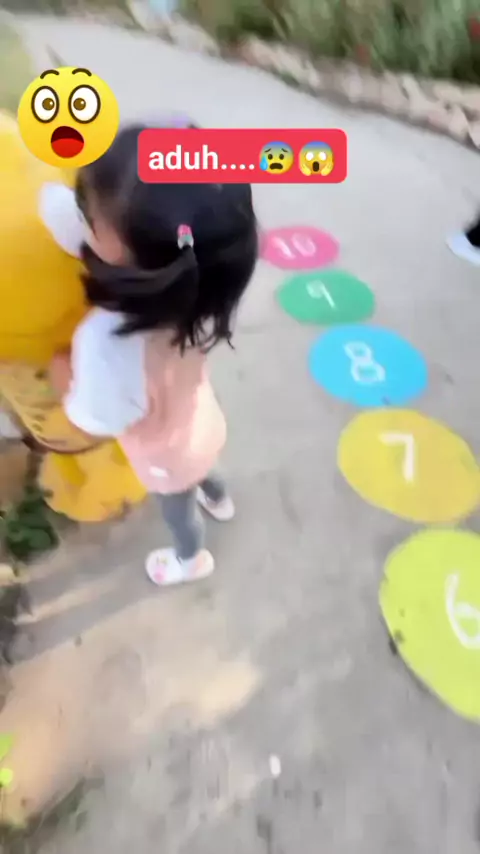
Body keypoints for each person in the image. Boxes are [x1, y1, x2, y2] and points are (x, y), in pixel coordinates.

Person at [53, 123, 258, 587]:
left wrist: (63, 374)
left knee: (178, 514)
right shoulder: (205, 292)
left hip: (166, 455)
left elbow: (97, 419)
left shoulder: (105, 342)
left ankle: (191, 558)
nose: (82, 221)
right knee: (206, 466)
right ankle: (220, 498)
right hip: (202, 421)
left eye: (88, 217)